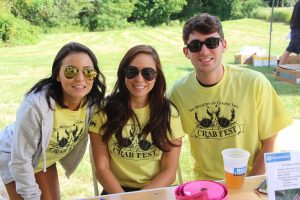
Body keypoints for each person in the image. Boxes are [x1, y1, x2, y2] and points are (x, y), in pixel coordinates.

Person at [168, 13, 293, 181]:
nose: (204, 51)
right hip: (207, 185)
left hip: (249, 178)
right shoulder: (178, 92)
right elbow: (167, 140)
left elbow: (269, 142)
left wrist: (249, 185)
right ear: (186, 51)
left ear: (224, 45)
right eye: (195, 45)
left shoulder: (254, 83)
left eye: (212, 42)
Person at [0, 42, 106, 200]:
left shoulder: (92, 103)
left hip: (44, 159)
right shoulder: (36, 105)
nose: (80, 78)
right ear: (58, 74)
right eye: (71, 71)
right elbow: (20, 159)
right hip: (15, 156)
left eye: (88, 72)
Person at [89, 44, 184, 194]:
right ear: (123, 74)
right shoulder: (104, 111)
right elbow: (101, 168)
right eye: (132, 71)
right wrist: (124, 198)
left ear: (157, 76)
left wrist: (138, 198)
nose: (139, 78)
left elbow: (169, 172)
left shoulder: (169, 114)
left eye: (148, 73)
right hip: (116, 190)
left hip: (156, 188)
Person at [279, 0, 300, 64]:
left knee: (290, 49)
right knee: (290, 49)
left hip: (296, 28)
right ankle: (279, 68)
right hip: (297, 29)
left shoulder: (298, 2)